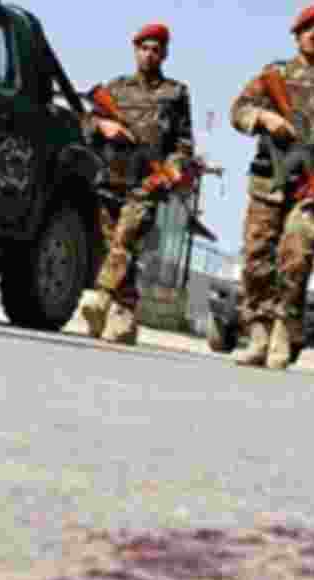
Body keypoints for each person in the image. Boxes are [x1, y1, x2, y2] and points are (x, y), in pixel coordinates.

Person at [229, 4, 314, 370]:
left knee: (297, 253)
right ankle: (257, 330)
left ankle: (284, 330)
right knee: (256, 256)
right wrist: (263, 117)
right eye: (308, 29)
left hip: (310, 184)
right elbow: (238, 110)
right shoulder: (274, 74)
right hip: (268, 181)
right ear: (297, 35)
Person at [77, 23, 195, 346]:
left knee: (125, 239)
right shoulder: (115, 88)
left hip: (147, 184)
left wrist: (170, 171)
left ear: (165, 54)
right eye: (144, 48)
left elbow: (183, 145)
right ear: (135, 50)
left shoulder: (175, 93)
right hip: (111, 178)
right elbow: (85, 122)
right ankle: (126, 315)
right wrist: (104, 125)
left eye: (156, 49)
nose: (149, 54)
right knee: (113, 244)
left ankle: (100, 298)